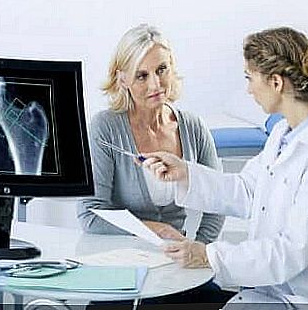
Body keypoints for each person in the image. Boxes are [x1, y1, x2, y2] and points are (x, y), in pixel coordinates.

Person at [141, 27, 308, 309]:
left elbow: (290, 252)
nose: (248, 89)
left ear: (276, 82)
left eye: (250, 77)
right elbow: (247, 190)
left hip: (304, 301)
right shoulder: (285, 134)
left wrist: (208, 256)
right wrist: (184, 172)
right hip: (269, 293)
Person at [77, 24, 225, 246]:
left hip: (177, 258)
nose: (155, 84)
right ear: (123, 80)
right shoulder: (105, 128)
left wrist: (200, 250)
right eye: (142, 76)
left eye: (161, 69)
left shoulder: (193, 127)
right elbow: (90, 215)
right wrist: (156, 230)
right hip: (120, 257)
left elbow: (218, 200)